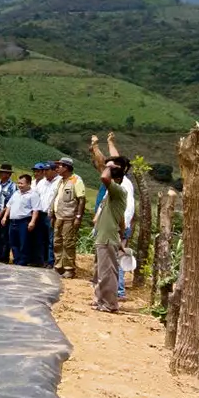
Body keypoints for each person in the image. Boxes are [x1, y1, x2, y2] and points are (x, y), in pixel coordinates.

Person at [90, 133, 135, 295]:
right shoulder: (114, 186)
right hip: (106, 227)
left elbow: (127, 209)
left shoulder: (123, 185)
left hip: (114, 228)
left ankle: (118, 291)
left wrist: (121, 227)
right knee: (105, 262)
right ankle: (106, 292)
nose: (104, 168)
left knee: (115, 260)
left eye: (110, 167)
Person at [92, 156, 130, 313]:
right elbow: (121, 219)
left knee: (107, 274)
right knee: (102, 272)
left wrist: (107, 166)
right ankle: (102, 301)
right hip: (106, 237)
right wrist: (121, 237)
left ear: (118, 179)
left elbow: (104, 177)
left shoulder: (119, 190)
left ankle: (110, 304)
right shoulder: (112, 195)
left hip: (107, 238)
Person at [51, 157, 86, 279]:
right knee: (57, 242)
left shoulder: (76, 180)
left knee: (68, 243)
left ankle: (69, 268)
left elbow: (81, 199)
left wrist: (78, 217)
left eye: (59, 166)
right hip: (58, 217)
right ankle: (58, 266)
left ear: (66, 167)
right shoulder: (61, 181)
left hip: (69, 218)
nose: (57, 168)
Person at [1, 174, 40, 266]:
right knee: (13, 242)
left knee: (24, 242)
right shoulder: (16, 193)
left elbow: (35, 209)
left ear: (29, 184)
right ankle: (16, 259)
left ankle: (23, 261)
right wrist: (4, 217)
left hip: (24, 221)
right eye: (18, 183)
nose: (19, 185)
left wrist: (32, 222)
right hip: (13, 221)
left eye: (22, 183)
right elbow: (9, 206)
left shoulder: (33, 195)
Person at [41, 161, 62, 268]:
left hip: (51, 215)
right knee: (42, 239)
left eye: (47, 170)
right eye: (44, 170)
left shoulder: (59, 182)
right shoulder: (42, 182)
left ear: (54, 170)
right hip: (41, 214)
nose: (44, 172)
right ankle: (43, 260)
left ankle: (51, 261)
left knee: (51, 239)